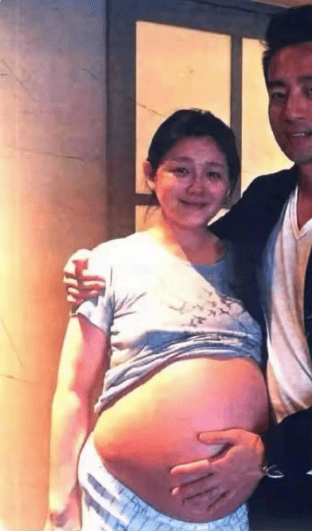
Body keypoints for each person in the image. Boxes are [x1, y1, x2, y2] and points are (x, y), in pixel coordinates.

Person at [64, 5, 312, 530]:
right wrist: (95, 264)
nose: (292, 110)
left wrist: (269, 453)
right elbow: (190, 241)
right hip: (274, 490)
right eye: (279, 92)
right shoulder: (267, 199)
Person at [45, 109, 270, 531]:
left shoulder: (252, 264)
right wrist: (60, 505)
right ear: (151, 173)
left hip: (231, 505)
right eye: (181, 170)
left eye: (214, 174)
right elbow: (73, 388)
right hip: (121, 502)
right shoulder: (109, 262)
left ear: (229, 185)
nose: (197, 187)